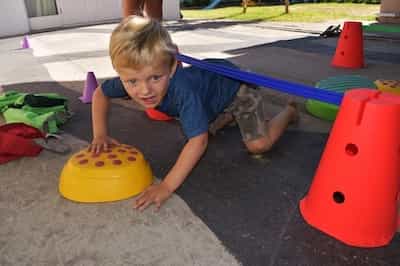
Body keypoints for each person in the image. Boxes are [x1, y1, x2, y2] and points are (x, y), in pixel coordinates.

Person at [89, 16, 298, 211]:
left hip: (238, 89)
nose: (144, 91)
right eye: (132, 81)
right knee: (201, 126)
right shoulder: (136, 72)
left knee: (257, 145)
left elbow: (198, 142)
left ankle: (289, 111)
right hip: (210, 95)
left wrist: (166, 187)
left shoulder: (183, 92)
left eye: (155, 78)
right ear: (120, 74)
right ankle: (228, 116)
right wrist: (100, 134)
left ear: (172, 68)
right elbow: (99, 94)